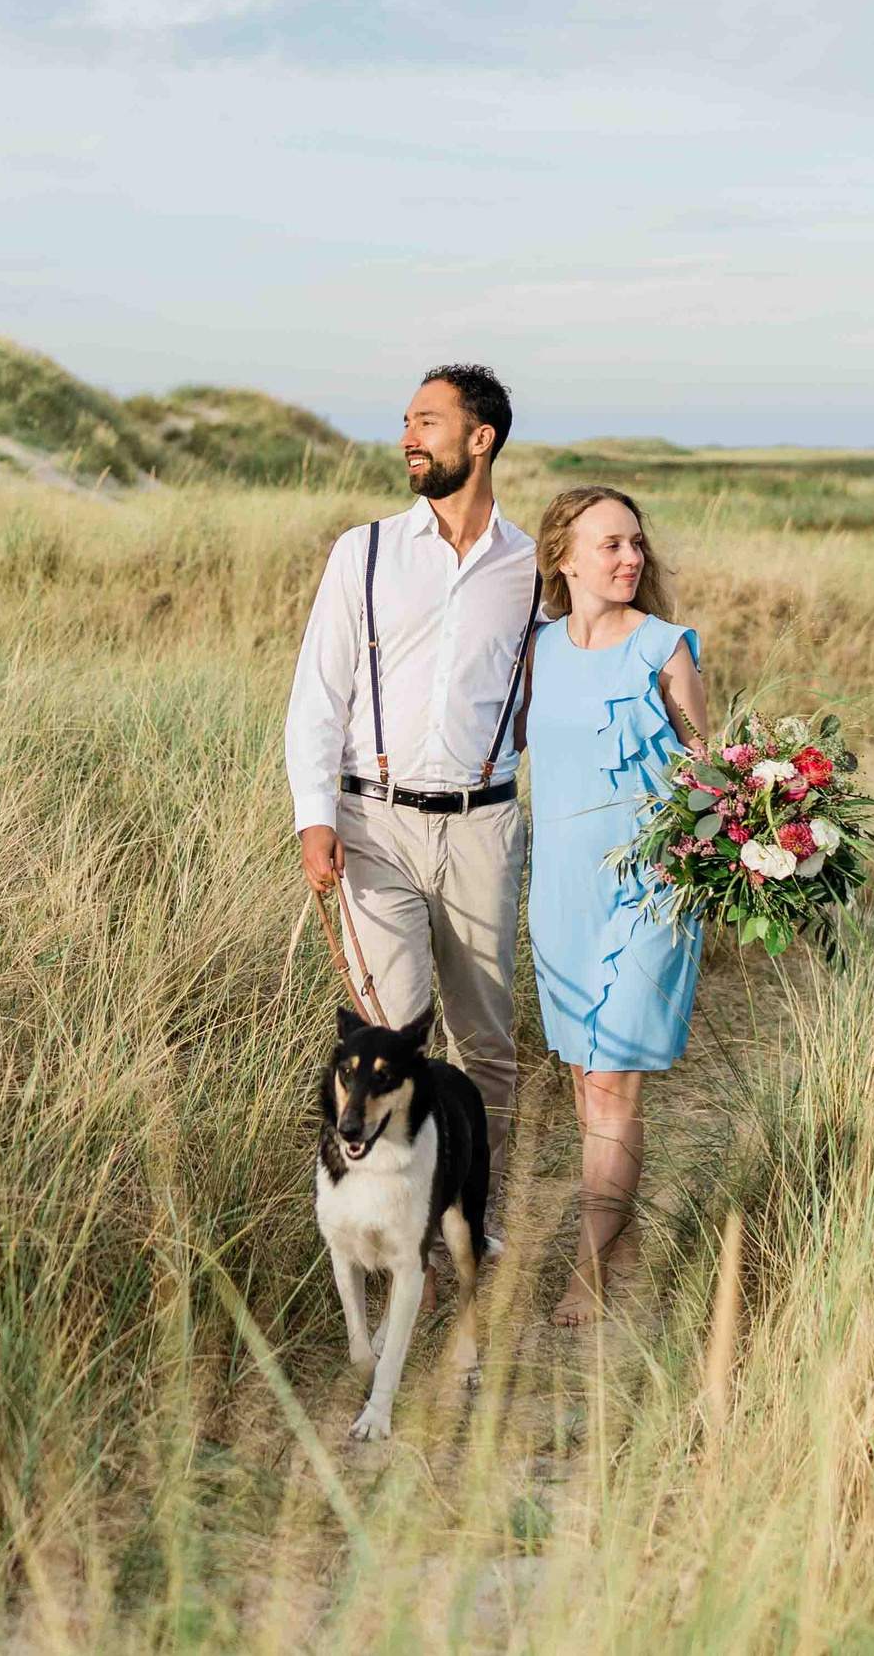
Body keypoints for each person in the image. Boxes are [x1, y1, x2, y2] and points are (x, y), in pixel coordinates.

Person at [286, 364, 541, 1186]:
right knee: (388, 1038)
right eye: (406, 421)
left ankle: (477, 1209)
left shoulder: (537, 568)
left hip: (484, 825)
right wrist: (312, 813)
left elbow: (552, 700)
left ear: (481, 437)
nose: (407, 438)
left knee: (487, 1043)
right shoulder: (363, 553)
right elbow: (318, 694)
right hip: (374, 824)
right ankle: (400, 1224)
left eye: (427, 422)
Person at [524, 485, 708, 1326]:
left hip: (649, 893)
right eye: (610, 545)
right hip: (561, 892)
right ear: (564, 557)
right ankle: (620, 1237)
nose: (631, 558)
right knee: (578, 1077)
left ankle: (591, 1273)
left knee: (610, 1086)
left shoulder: (666, 651)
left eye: (636, 543)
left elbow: (713, 783)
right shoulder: (536, 650)